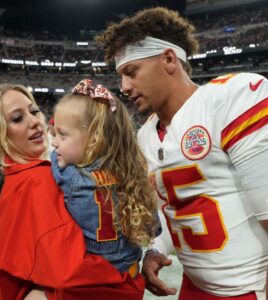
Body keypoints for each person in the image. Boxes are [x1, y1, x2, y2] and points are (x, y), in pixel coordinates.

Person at [96, 6, 268, 300]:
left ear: (168, 59)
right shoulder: (147, 135)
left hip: (249, 288)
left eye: (131, 72)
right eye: (121, 75)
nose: (124, 86)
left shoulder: (232, 98)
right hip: (194, 287)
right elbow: (172, 212)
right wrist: (155, 250)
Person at [0, 84, 146, 300]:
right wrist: (130, 276)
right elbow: (70, 272)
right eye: (17, 118)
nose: (35, 121)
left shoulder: (21, 177)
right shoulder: (38, 180)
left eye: (33, 110)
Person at [50, 78, 160, 274]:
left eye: (62, 135)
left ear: (93, 140)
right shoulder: (133, 172)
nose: (55, 143)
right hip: (130, 276)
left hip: (93, 277)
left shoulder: (70, 176)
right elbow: (154, 229)